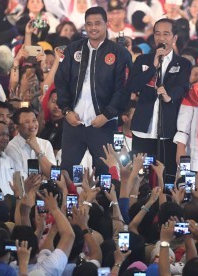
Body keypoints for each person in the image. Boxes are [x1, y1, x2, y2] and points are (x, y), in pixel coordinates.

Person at [55, 6, 132, 177]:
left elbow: (124, 89)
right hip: (74, 123)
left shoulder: (119, 53)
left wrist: (106, 115)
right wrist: (66, 111)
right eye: (89, 24)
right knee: (67, 173)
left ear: (107, 24)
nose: (93, 28)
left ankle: (105, 204)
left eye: (97, 23)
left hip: (103, 124)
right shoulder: (73, 49)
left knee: (105, 176)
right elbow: (61, 83)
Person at [127, 18, 191, 176]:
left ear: (174, 38)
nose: (161, 38)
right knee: (140, 175)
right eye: (157, 34)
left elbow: (182, 86)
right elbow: (133, 86)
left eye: (166, 34)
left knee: (166, 174)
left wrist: (169, 97)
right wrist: (152, 67)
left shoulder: (183, 63)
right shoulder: (143, 60)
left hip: (168, 130)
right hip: (142, 130)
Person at [5, 107, 56, 178]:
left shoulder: (46, 144)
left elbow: (55, 175)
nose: (32, 125)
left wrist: (38, 151)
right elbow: (21, 180)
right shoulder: (11, 147)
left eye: (34, 120)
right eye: (27, 122)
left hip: (48, 189)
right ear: (17, 127)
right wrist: (44, 176)